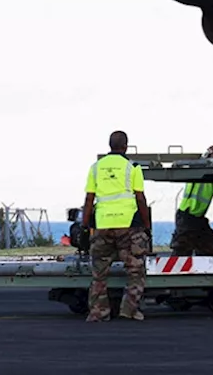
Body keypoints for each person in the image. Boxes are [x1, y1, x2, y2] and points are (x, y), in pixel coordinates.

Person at [83, 130, 150, 322]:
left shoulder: (95, 168)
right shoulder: (132, 167)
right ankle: (129, 310)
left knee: (99, 274)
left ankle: (98, 312)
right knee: (135, 271)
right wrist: (146, 225)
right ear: (125, 146)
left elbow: (89, 199)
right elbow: (140, 198)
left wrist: (86, 224)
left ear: (109, 145)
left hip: (102, 225)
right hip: (128, 226)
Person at [170, 146, 213, 256]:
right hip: (189, 215)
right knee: (182, 249)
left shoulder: (203, 172)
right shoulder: (206, 172)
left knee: (209, 247)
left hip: (193, 216)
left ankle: (207, 269)